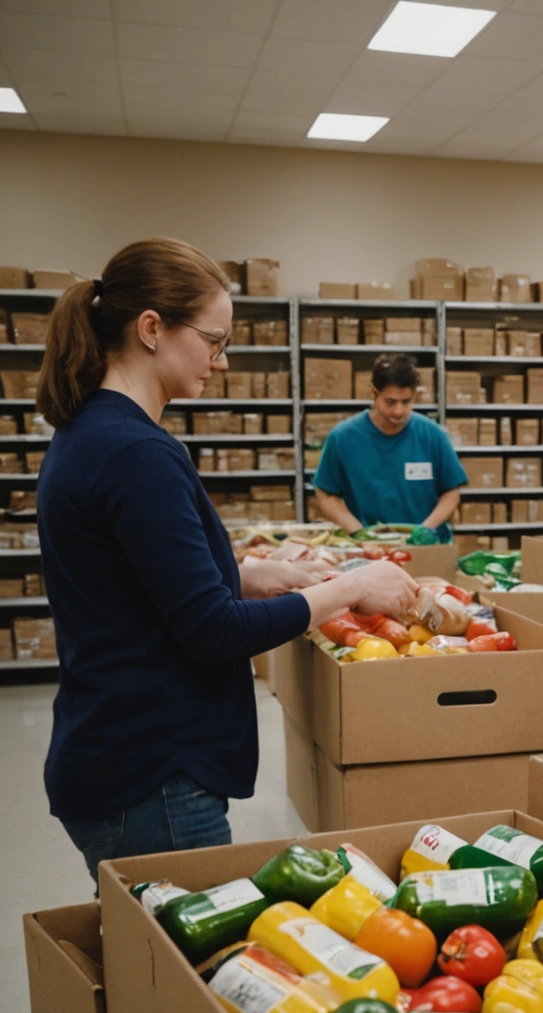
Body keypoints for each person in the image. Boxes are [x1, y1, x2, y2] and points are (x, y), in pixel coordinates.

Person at [36, 238, 419, 879]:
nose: (220, 360)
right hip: (155, 773)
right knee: (179, 973)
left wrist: (239, 575)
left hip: (114, 749)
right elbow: (212, 632)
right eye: (213, 340)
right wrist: (350, 587)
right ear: (152, 328)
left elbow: (131, 587)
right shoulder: (137, 454)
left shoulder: (90, 434)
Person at [312, 352, 465, 541]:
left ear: (414, 396)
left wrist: (427, 529)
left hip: (428, 546)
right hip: (369, 549)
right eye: (390, 402)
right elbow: (326, 493)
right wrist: (358, 532)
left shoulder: (433, 435)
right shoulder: (343, 438)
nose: (398, 411)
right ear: (374, 394)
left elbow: (451, 491)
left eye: (406, 402)